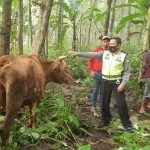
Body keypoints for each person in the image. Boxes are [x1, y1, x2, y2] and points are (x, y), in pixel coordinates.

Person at [69, 37, 132, 132]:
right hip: (105, 81)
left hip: (117, 82)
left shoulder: (124, 56)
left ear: (118, 45)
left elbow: (127, 71)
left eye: (112, 44)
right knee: (104, 102)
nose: (110, 46)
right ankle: (105, 120)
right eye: (109, 44)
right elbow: (92, 54)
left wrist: (123, 84)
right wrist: (78, 53)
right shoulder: (105, 53)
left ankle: (127, 124)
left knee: (121, 104)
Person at [88, 36, 110, 116]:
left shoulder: (110, 52)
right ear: (102, 42)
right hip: (97, 73)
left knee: (103, 91)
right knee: (95, 90)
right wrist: (92, 70)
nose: (106, 43)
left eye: (107, 41)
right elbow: (90, 60)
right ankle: (93, 106)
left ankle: (101, 106)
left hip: (106, 74)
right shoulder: (97, 50)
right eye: (104, 41)